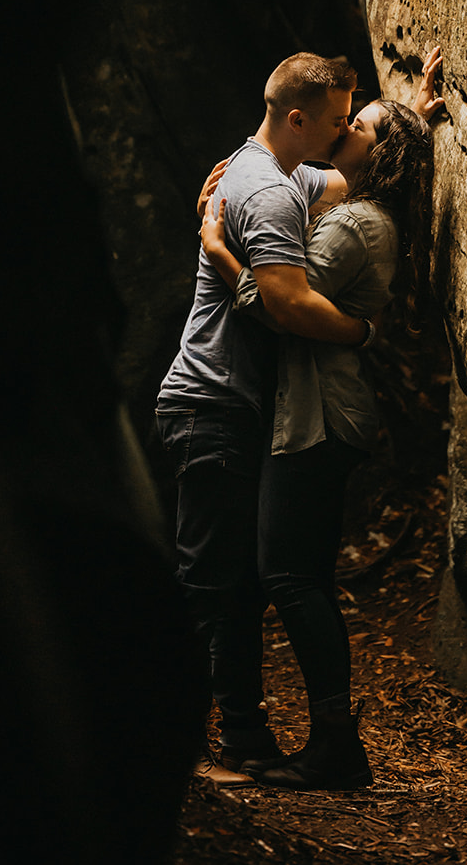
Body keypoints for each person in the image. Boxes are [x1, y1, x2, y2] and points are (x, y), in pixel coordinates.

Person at [200, 95, 436, 789]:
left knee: (290, 577)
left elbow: (279, 306)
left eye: (357, 124)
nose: (344, 127)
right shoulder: (365, 212)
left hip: (318, 418)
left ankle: (336, 745)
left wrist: (218, 251)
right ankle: (329, 740)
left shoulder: (357, 224)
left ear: (379, 154)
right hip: (320, 414)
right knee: (296, 575)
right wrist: (415, 111)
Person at [155, 52, 375, 783]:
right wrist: (363, 331)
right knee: (212, 583)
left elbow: (359, 170)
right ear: (297, 119)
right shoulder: (269, 192)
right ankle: (189, 745)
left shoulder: (282, 173)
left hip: (233, 404)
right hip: (211, 401)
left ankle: (243, 739)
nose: (345, 130)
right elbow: (285, 305)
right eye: (337, 120)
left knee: (239, 583)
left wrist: (415, 107)